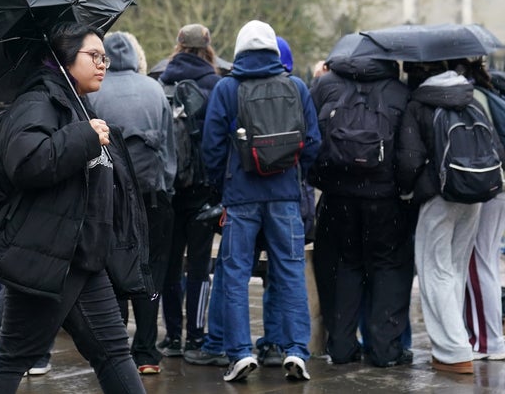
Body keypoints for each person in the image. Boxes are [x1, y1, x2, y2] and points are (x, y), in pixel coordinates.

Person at [0, 21, 150, 394]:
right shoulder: (37, 102)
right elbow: (27, 162)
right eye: (94, 56)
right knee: (13, 356)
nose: (104, 63)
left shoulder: (76, 104)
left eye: (105, 57)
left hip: (83, 255)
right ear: (65, 58)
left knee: (114, 352)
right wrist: (84, 136)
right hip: (48, 255)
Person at [201, 19, 320, 382]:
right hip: (284, 195)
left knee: (235, 274)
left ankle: (239, 352)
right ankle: (297, 350)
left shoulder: (226, 88)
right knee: (290, 271)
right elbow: (312, 143)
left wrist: (221, 183)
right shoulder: (296, 86)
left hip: (240, 197)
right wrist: (291, 174)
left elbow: (212, 147)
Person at [396, 61, 504, 374]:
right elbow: (494, 147)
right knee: (456, 268)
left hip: (439, 195)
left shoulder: (419, 104)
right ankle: (459, 340)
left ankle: (453, 351)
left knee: (434, 269)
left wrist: (407, 192)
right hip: (475, 193)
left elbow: (410, 159)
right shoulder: (470, 99)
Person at [308, 54, 412, 367]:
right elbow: (408, 155)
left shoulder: (326, 85)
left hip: (338, 197)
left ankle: (340, 347)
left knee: (341, 268)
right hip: (385, 200)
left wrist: (320, 178)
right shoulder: (399, 91)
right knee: (388, 269)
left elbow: (310, 137)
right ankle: (384, 350)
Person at [88, 30, 177, 374]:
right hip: (153, 198)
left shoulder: (96, 92)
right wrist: (165, 187)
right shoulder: (154, 89)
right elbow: (171, 149)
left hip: (111, 197)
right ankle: (146, 352)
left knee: (112, 270)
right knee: (150, 271)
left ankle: (116, 349)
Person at [156, 23, 221, 357]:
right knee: (198, 267)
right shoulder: (216, 85)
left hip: (168, 189)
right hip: (201, 191)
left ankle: (172, 338)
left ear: (178, 46)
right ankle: (196, 337)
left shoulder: (161, 83)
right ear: (207, 48)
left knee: (169, 265)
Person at [452, 58, 505, 361]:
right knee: (487, 259)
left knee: (478, 260)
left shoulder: (474, 97)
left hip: (487, 187)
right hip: (498, 187)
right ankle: (486, 335)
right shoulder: (491, 92)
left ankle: (488, 341)